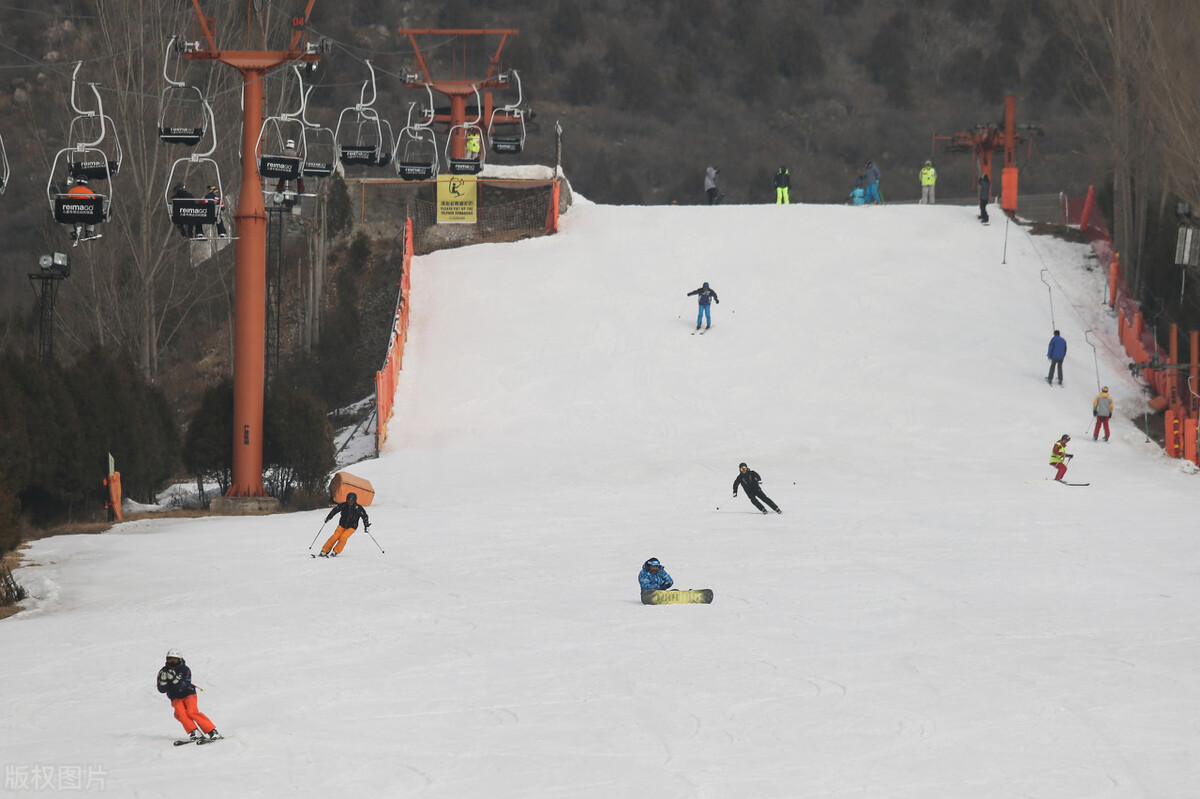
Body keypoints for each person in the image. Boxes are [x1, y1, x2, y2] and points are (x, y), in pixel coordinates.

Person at [157, 649, 222, 743]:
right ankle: (194, 732)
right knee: (180, 713)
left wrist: (174, 679)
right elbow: (161, 690)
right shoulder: (163, 671)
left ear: (179, 659)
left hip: (188, 694)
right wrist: (163, 681)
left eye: (174, 659)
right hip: (175, 697)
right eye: (170, 659)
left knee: (192, 712)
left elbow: (184, 685)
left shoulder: (184, 669)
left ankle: (212, 731)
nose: (172, 662)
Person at [319, 491, 371, 557]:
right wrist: (328, 517)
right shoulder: (343, 505)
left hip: (352, 527)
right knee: (334, 537)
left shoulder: (358, 508)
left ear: (355, 501)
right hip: (342, 525)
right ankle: (324, 550)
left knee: (343, 537)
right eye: (349, 501)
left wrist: (366, 526)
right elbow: (335, 510)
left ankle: (336, 551)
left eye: (352, 501)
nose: (350, 503)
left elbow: (365, 516)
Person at [67, 175, 99, 243]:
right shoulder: (90, 193)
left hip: (73, 214)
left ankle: (72, 232)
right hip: (86, 214)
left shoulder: (71, 192)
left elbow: (66, 202)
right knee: (93, 214)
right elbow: (94, 202)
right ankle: (89, 232)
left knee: (65, 218)